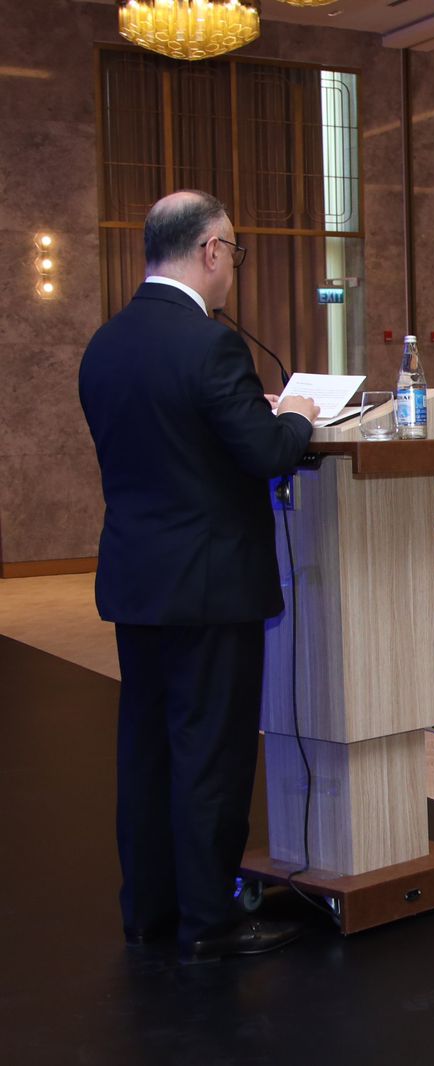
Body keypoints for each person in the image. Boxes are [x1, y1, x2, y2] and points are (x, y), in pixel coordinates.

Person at [80, 189, 319, 963]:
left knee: (146, 751)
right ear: (211, 248)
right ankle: (211, 922)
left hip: (138, 580)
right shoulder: (210, 344)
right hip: (210, 585)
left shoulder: (107, 343)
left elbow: (172, 447)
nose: (233, 270)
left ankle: (149, 910)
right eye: (235, 253)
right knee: (210, 754)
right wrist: (297, 415)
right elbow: (266, 453)